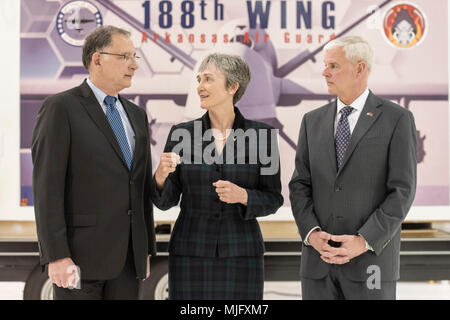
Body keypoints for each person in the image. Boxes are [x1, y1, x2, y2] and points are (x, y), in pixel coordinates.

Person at [32, 26, 156, 300]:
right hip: (78, 259)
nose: (134, 65)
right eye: (125, 57)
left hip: (128, 262)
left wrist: (144, 248)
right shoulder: (61, 108)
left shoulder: (136, 116)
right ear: (97, 59)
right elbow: (47, 188)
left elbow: (138, 187)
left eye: (135, 57)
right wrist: (57, 255)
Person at [289, 36, 417, 300]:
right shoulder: (311, 121)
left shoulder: (397, 119)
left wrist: (363, 240)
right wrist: (312, 234)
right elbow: (300, 184)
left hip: (371, 264)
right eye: (325, 65)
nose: (324, 72)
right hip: (318, 266)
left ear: (360, 69)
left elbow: (402, 192)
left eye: (333, 65)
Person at [152, 53, 283, 300]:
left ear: (233, 86)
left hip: (241, 253)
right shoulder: (182, 134)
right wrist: (160, 176)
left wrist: (243, 196)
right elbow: (165, 200)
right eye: (199, 79)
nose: (200, 86)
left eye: (208, 79)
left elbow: (273, 198)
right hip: (190, 253)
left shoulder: (264, 136)